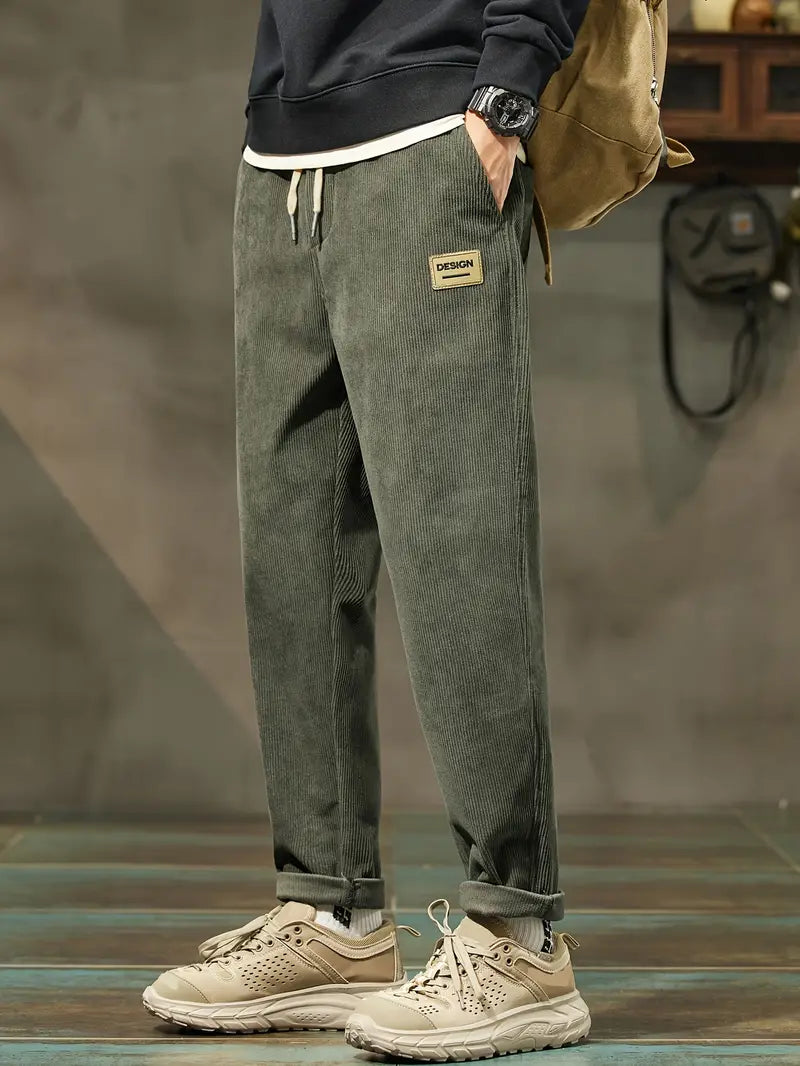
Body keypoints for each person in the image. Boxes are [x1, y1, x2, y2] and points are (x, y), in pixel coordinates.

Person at [142, 0, 592, 1058]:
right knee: (290, 551)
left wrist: (505, 89)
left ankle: (519, 937)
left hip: (434, 129)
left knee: (456, 539)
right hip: (281, 152)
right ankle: (331, 915)